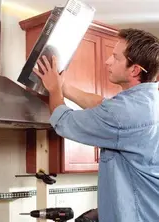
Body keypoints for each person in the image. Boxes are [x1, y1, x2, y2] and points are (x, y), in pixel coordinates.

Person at [33, 28, 159, 222]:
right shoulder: (147, 102)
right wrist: (63, 87)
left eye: (116, 58)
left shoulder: (124, 112)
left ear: (134, 69)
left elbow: (64, 121)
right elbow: (102, 105)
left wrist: (54, 89)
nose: (108, 61)